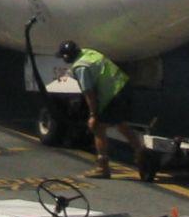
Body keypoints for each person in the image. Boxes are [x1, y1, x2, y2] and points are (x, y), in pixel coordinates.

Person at [57, 40, 146, 179]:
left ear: (66, 57)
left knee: (98, 128)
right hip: (124, 87)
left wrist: (93, 115)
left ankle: (102, 167)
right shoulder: (89, 52)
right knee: (120, 123)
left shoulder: (81, 67)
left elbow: (89, 93)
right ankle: (141, 153)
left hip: (112, 95)